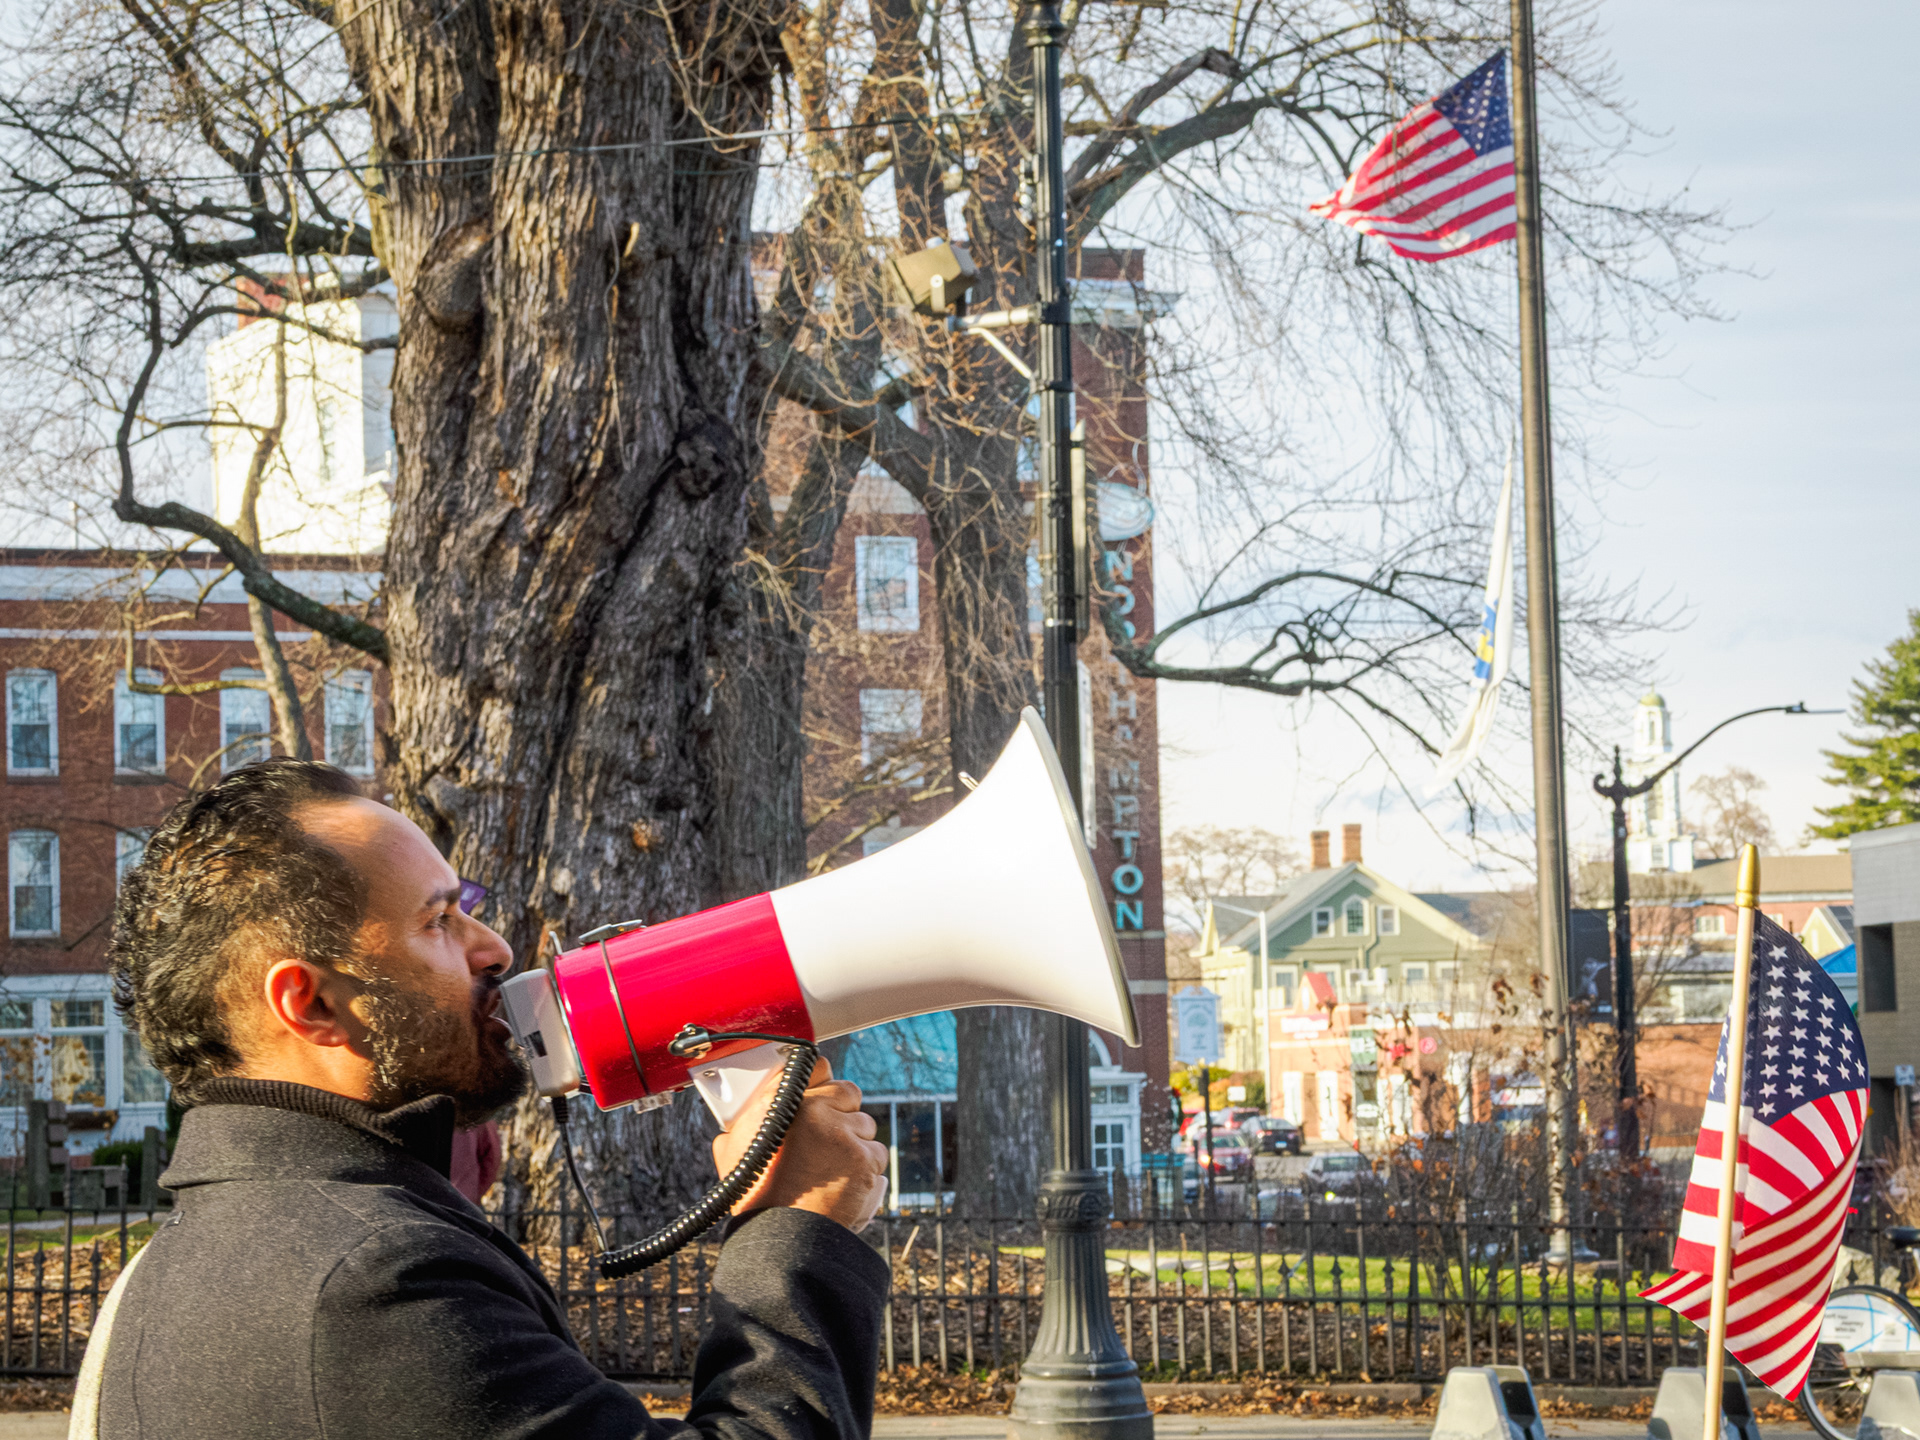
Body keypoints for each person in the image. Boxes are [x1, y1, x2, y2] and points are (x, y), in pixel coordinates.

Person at [87, 760, 891, 1439]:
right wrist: (800, 1227)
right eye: (439, 921)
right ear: (313, 1003)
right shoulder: (376, 1278)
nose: (494, 947)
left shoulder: (193, 1261)